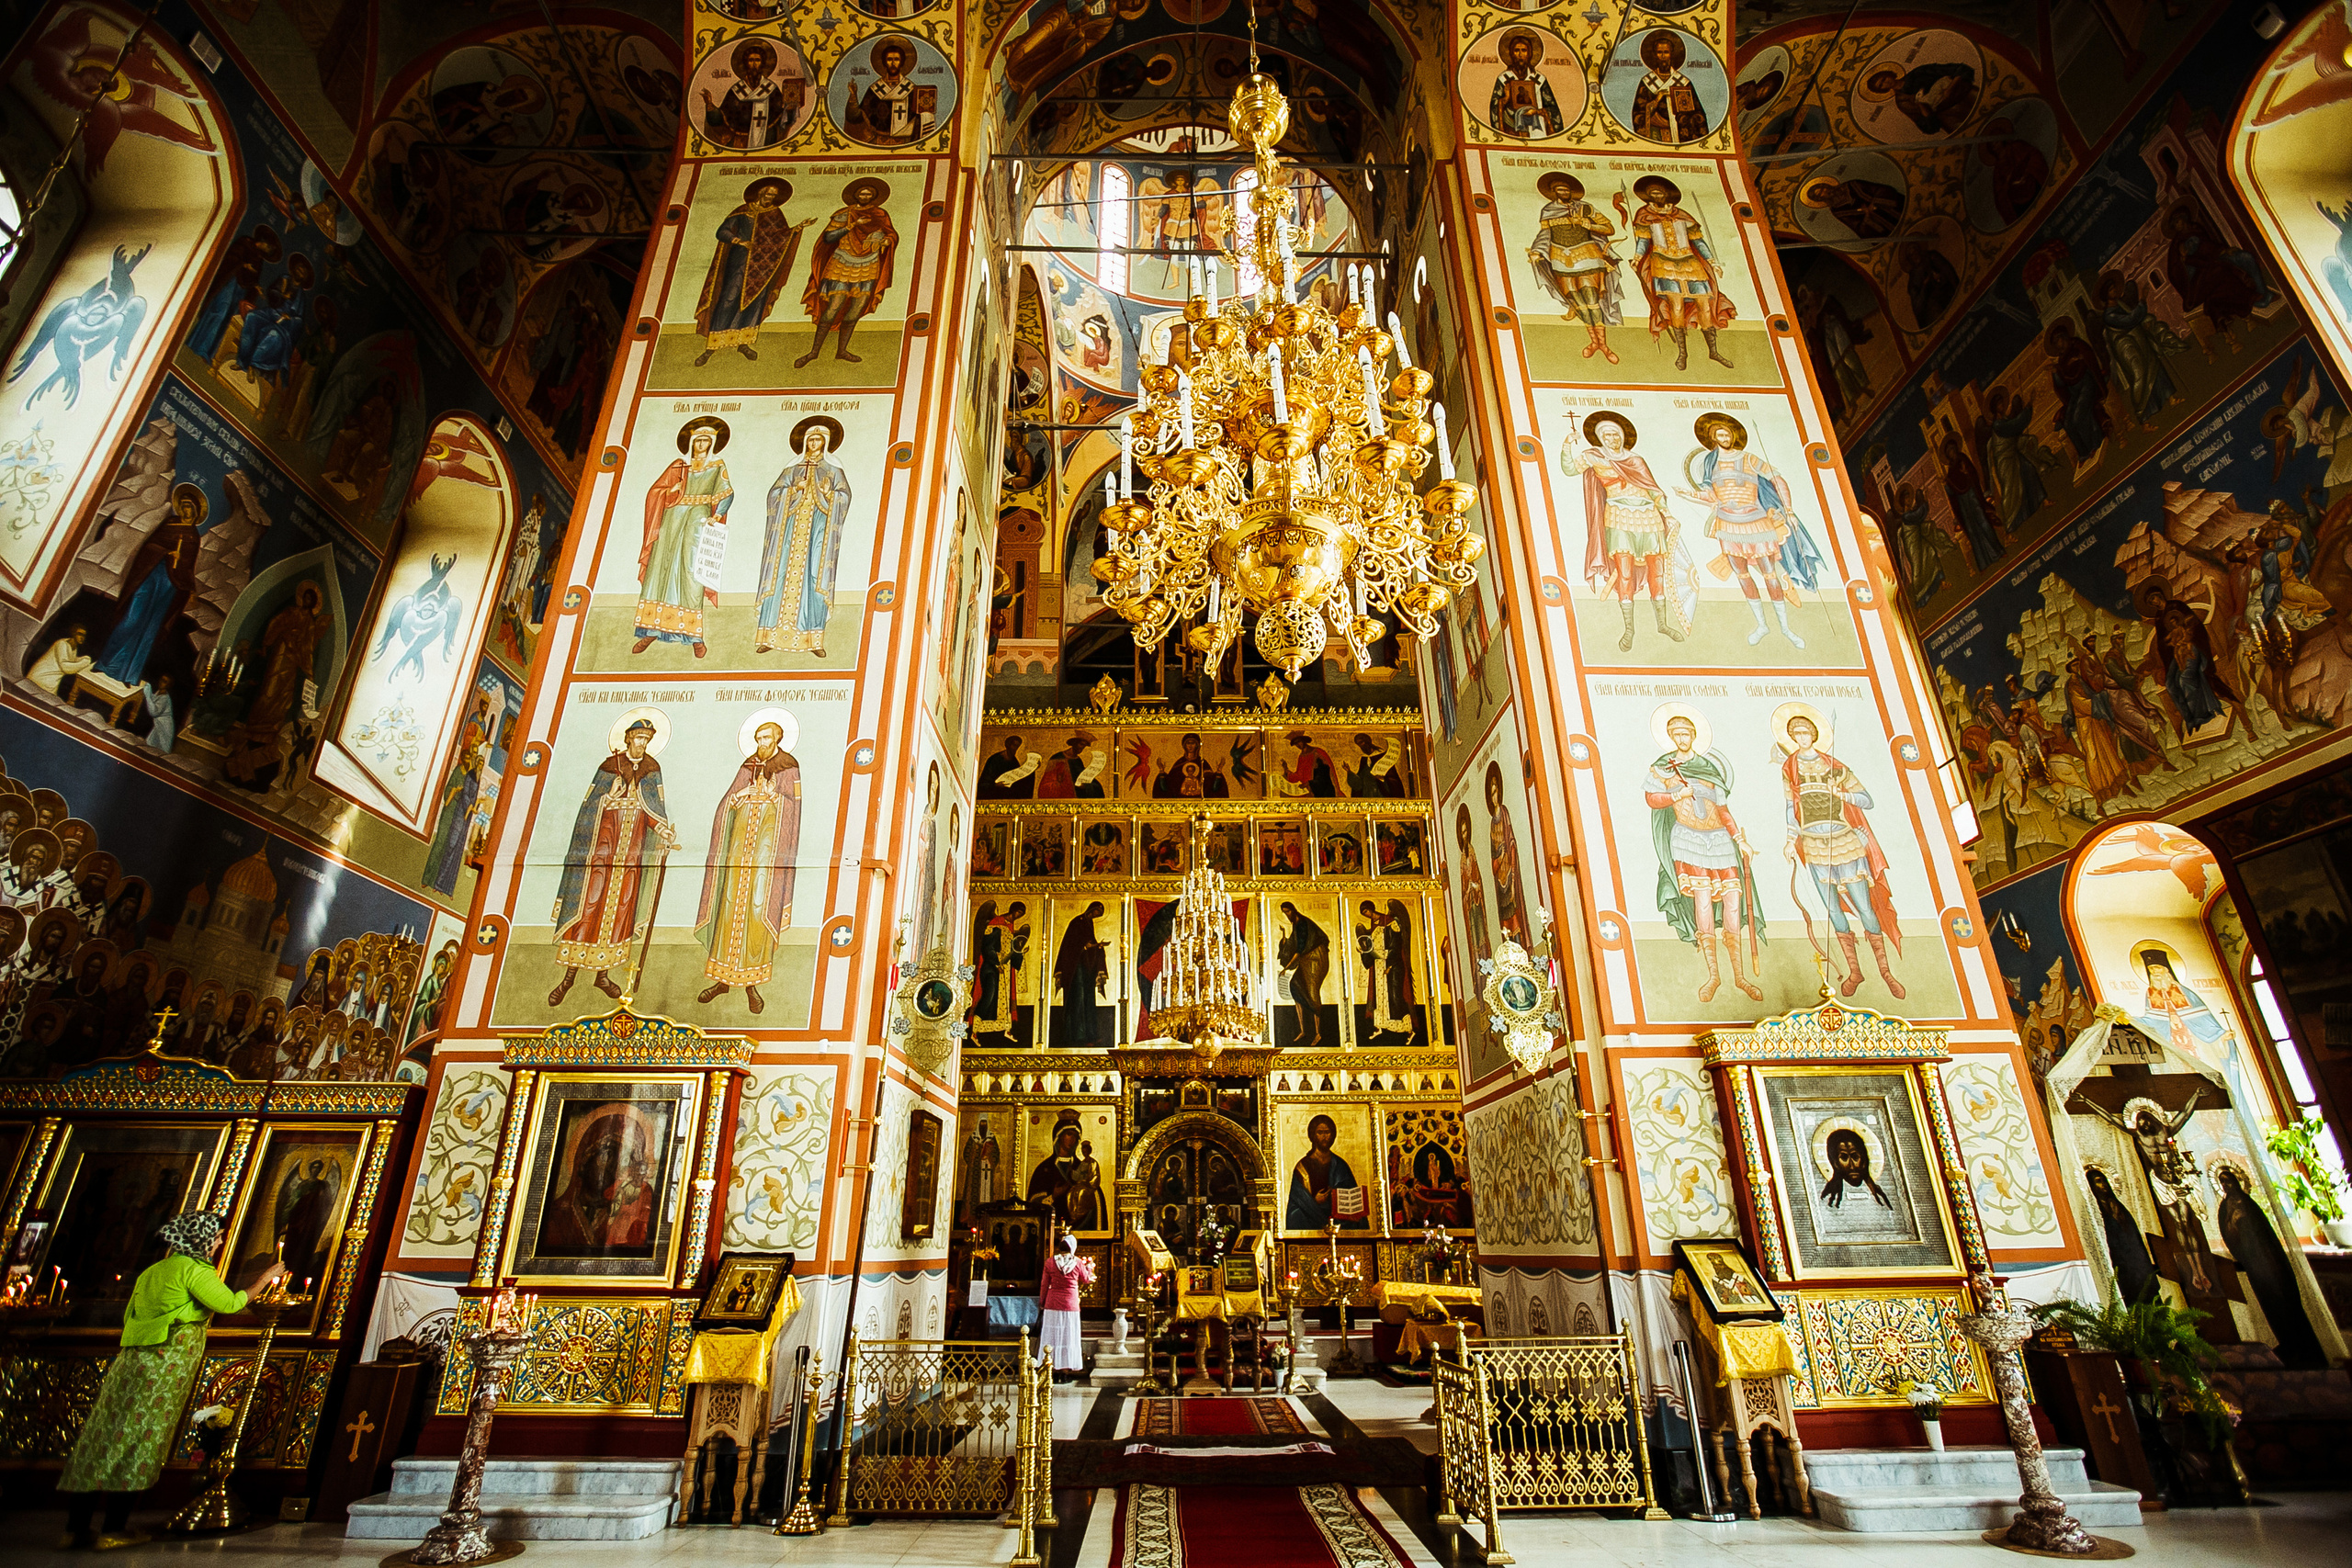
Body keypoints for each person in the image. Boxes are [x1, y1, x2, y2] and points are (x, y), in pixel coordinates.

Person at [56, 1211, 287, 1550]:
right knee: (138, 1443)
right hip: (163, 1369)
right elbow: (230, 1304)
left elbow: (131, 1313)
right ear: (203, 1239)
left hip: (132, 1362)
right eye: (218, 1236)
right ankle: (113, 1529)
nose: (221, 1241)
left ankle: (74, 1529)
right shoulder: (192, 1270)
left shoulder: (155, 1270)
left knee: (102, 1439)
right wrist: (264, 1279)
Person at [549, 716, 678, 1007]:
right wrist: (609, 796)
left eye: (647, 739)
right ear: (628, 738)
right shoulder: (609, 767)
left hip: (631, 854)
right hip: (601, 851)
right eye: (638, 738)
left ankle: (602, 976)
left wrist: (663, 830)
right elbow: (588, 808)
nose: (642, 743)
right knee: (590, 905)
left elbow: (653, 809)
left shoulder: (651, 770)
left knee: (620, 910)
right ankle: (569, 978)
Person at [1645, 709, 1763, 1002]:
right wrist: (1676, 796)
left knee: (1733, 905)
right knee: (1703, 906)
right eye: (1677, 734)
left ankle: (1740, 977)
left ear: (1694, 736)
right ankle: (1713, 976)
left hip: (1720, 841)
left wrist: (1740, 840)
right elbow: (1651, 798)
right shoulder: (1664, 767)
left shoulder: (1708, 767)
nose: (1682, 738)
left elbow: (1723, 810)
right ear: (1671, 737)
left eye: (1687, 733)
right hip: (1688, 839)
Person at [1677, 412, 1824, 647]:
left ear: (1733, 436)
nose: (1723, 437)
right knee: (1742, 575)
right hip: (1728, 524)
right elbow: (1712, 495)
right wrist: (1691, 494)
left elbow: (1778, 479)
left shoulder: (1749, 458)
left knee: (1769, 573)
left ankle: (1786, 628)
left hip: (1756, 521)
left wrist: (1789, 509)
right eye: (1719, 434)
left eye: (1727, 433)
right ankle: (1762, 625)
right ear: (1713, 438)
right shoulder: (1710, 463)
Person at [694, 721, 802, 1013]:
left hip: (766, 858)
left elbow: (793, 806)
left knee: (756, 911)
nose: (760, 742)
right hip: (738, 853)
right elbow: (729, 799)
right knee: (729, 908)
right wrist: (737, 799)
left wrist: (773, 797)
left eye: (765, 737)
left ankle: (751, 987)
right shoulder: (749, 764)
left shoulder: (788, 765)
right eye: (757, 738)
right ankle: (722, 981)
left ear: (777, 738)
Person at [1565, 412, 1690, 650]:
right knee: (1624, 573)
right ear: (1600, 438)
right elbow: (1570, 469)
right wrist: (1567, 445)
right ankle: (1629, 629)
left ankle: (1662, 624)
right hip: (1618, 517)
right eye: (1607, 435)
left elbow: (1653, 490)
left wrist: (1667, 514)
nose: (1612, 439)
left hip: (1649, 517)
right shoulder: (1594, 457)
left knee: (1657, 572)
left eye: (1616, 434)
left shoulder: (1636, 460)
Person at [633, 417, 733, 656]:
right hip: (672, 517)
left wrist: (717, 515)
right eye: (697, 441)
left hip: (698, 517)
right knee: (661, 568)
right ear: (691, 443)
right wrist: (671, 491)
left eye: (705, 441)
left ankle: (695, 636)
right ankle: (650, 630)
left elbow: (727, 493)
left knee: (692, 570)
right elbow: (655, 492)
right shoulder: (679, 466)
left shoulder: (717, 465)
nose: (701, 445)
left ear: (712, 444)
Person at [693, 176, 811, 366]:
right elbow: (722, 232)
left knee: (756, 301)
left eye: (773, 195)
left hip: (763, 268)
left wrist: (797, 229)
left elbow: (780, 236)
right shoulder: (743, 211)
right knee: (729, 298)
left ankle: (743, 342)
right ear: (760, 193)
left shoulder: (775, 213)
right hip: (739, 262)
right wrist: (739, 241)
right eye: (767, 194)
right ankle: (711, 346)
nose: (770, 198)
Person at [757, 418, 852, 655]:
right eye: (810, 439)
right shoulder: (793, 468)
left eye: (818, 439)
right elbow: (774, 495)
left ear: (825, 443)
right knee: (780, 575)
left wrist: (830, 494)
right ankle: (769, 636)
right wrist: (792, 490)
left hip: (818, 531)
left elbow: (844, 496)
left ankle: (814, 640)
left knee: (814, 577)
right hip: (789, 530)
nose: (814, 442)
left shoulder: (833, 468)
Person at [1626, 175, 1735, 370]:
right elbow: (1643, 241)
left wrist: (1712, 261)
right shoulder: (1645, 216)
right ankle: (1683, 353)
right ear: (1647, 197)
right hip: (1662, 263)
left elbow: (1698, 241)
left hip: (1691, 264)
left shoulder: (1683, 215)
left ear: (1667, 194)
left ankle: (1713, 351)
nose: (1656, 195)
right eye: (1652, 193)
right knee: (1676, 306)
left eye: (1659, 192)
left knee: (1705, 305)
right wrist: (1636, 259)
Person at [797, 177, 899, 367]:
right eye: (862, 193)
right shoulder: (845, 214)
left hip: (869, 265)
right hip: (842, 264)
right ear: (856, 195)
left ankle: (842, 351)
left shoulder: (880, 213)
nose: (865, 196)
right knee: (833, 307)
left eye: (869, 194)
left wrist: (886, 241)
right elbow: (828, 237)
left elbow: (891, 233)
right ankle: (814, 352)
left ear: (874, 197)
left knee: (856, 309)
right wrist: (853, 224)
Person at [1527, 172, 1623, 364]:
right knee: (1577, 302)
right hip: (1560, 257)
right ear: (1554, 193)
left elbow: (1609, 229)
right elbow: (1545, 234)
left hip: (1587, 254)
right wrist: (1537, 250)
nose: (1563, 192)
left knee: (1591, 299)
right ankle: (1594, 342)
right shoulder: (1548, 210)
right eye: (1559, 190)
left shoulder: (1585, 208)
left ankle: (1604, 344)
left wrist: (1589, 225)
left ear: (1572, 191)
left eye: (1566, 189)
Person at [1628, 29, 1711, 145]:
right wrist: (1657, 99)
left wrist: (1685, 118)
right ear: (1655, 54)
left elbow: (1698, 114)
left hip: (1680, 134)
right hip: (1655, 133)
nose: (1663, 56)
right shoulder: (1647, 82)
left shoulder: (1683, 82)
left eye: (1666, 52)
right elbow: (1638, 114)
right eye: (1659, 52)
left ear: (1671, 54)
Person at [1286, 1113, 1364, 1231]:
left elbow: (1352, 1196)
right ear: (1313, 1135)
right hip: (1311, 1218)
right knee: (1297, 1215)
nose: (1325, 1136)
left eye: (1327, 1132)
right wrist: (1314, 1201)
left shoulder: (1340, 1164)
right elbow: (1294, 1204)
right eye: (1320, 1132)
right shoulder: (1302, 1167)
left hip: (1339, 1220)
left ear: (1333, 1135)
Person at [1487, 28, 1565, 139]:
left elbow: (1552, 107)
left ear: (1529, 54)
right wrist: (1505, 99)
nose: (1520, 54)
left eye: (1524, 50)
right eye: (1516, 50)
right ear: (1511, 53)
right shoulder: (1504, 79)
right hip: (1512, 130)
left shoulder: (1539, 79)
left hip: (1537, 129)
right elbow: (1494, 107)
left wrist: (1540, 112)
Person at [1276, 901, 1331, 1049]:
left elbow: (1299, 949)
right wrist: (1284, 939)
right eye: (1284, 912)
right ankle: (1303, 1030)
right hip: (1306, 959)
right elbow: (1294, 944)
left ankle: (1319, 1033)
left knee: (1312, 993)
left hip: (1315, 958)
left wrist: (1286, 968)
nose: (1287, 915)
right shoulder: (1296, 924)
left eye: (1288, 911)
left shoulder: (1302, 924)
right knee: (1295, 986)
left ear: (1293, 911)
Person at [1039, 1233, 1092, 1379]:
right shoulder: (1077, 1262)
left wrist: (1042, 1302)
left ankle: (1052, 1367)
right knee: (1068, 1336)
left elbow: (1044, 1284)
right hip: (1070, 1303)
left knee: (1053, 1336)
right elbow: (1087, 1279)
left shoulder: (1050, 1262)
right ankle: (1065, 1371)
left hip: (1052, 1302)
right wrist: (1090, 1268)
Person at [1818, 1128, 1894, 1210]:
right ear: (1835, 1163)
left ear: (1864, 1160)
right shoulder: (1828, 1198)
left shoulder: (1880, 1198)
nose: (1852, 1166)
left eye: (1855, 1157)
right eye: (1844, 1158)